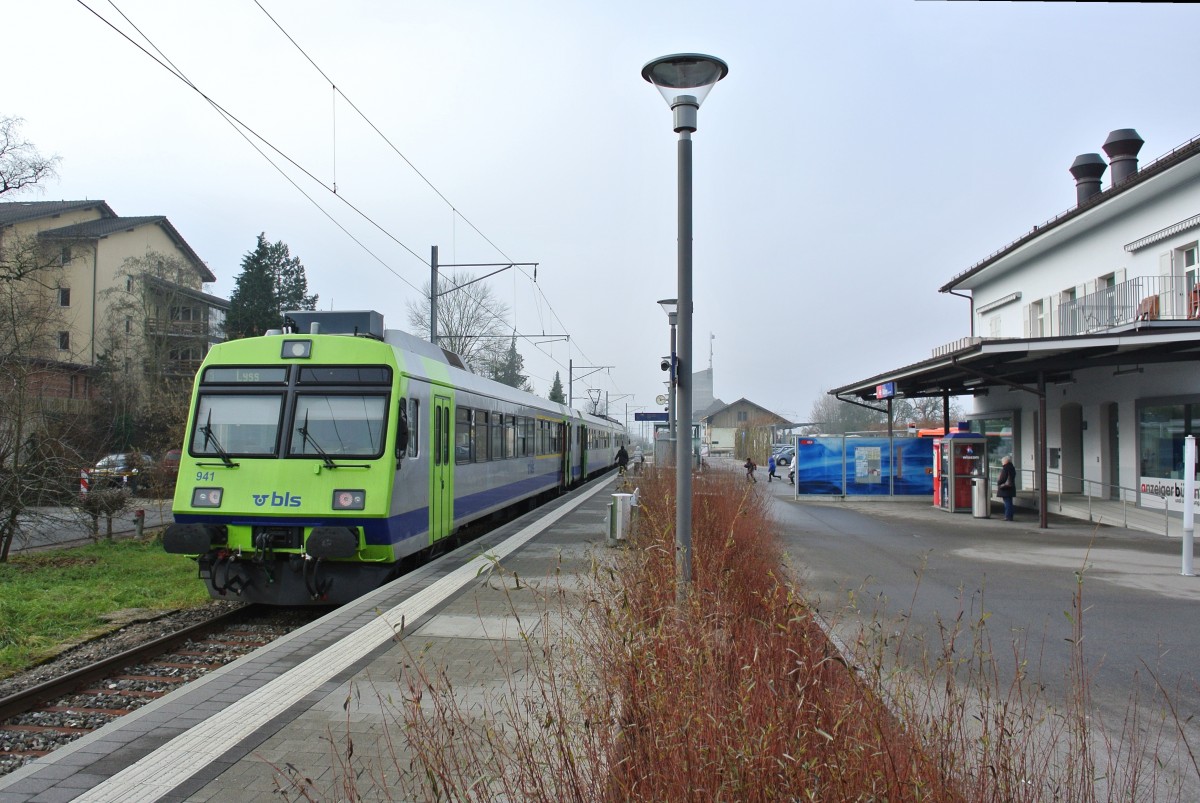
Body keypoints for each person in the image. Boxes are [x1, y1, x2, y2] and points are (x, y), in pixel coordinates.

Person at [997, 455, 1016, 521]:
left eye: (1002, 461)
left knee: (1007, 503)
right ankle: (1010, 516)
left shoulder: (1006, 468)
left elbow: (1002, 478)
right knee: (1009, 502)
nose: (1002, 462)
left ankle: (1007, 516)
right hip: (1010, 487)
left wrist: (999, 483)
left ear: (1006, 461)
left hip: (1005, 488)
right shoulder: (1012, 467)